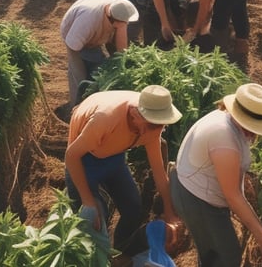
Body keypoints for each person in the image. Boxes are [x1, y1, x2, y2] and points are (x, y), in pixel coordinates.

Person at [170, 83, 262, 266]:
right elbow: (232, 195)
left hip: (193, 191)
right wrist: (260, 234)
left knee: (212, 253)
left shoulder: (227, 120)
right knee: (227, 257)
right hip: (196, 200)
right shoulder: (224, 137)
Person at [65, 86, 182, 256]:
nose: (158, 130)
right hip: (84, 160)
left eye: (162, 124)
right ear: (136, 114)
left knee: (133, 208)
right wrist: (88, 201)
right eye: (154, 125)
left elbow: (159, 172)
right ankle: (97, 258)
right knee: (95, 221)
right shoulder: (105, 119)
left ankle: (121, 254)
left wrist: (170, 212)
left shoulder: (152, 126)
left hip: (114, 155)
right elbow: (71, 156)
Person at [60, 0, 139, 105]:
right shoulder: (87, 22)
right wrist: (81, 81)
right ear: (113, 21)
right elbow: (73, 50)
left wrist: (121, 64)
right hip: (73, 35)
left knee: (98, 66)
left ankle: (95, 94)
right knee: (79, 75)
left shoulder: (121, 10)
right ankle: (76, 106)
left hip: (95, 32)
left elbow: (121, 50)